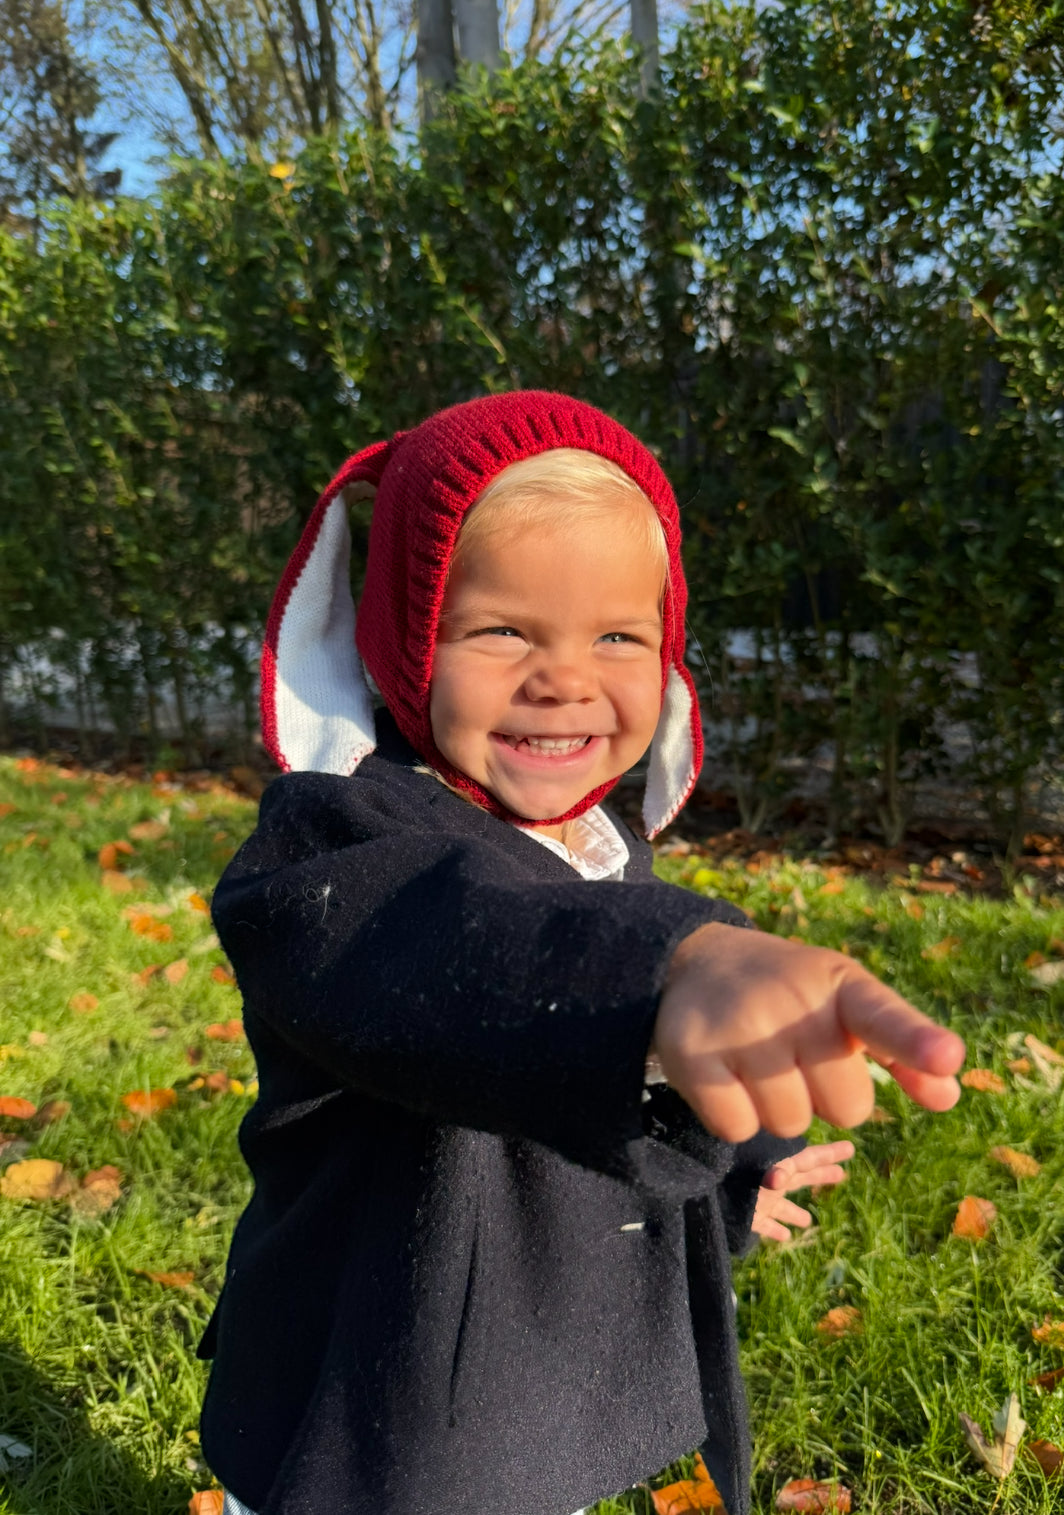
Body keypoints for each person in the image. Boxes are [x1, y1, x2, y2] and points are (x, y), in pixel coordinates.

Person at [196, 391, 964, 1515]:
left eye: (618, 635)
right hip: (370, 1403)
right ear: (404, 639)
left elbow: (599, 1082)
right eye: (502, 630)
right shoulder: (335, 853)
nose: (564, 678)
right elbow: (475, 946)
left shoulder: (605, 849)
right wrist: (664, 971)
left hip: (531, 1388)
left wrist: (733, 1168)